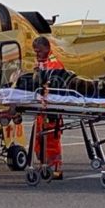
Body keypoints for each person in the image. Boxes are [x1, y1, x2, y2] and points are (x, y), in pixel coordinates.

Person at [32, 36, 65, 180]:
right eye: (35, 52)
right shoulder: (41, 63)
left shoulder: (54, 65)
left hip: (51, 109)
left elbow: (53, 87)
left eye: (39, 51)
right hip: (41, 108)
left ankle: (55, 167)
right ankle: (45, 164)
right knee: (39, 139)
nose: (37, 54)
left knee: (51, 138)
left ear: (47, 48)